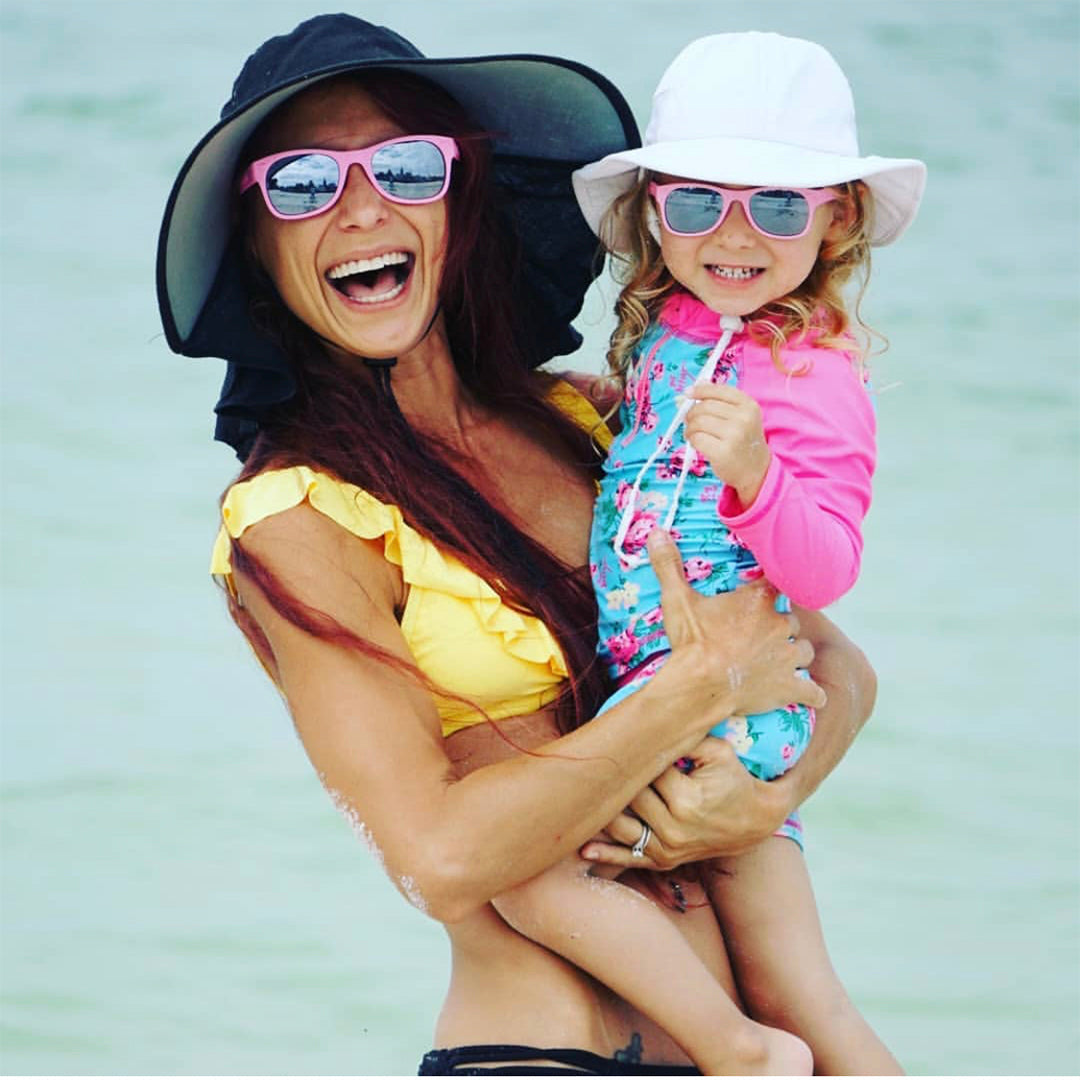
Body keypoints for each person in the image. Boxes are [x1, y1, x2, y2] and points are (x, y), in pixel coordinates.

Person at [156, 15, 881, 1076]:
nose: (362, 208)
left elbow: (835, 665)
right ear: (257, 243)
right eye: (303, 184)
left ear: (461, 199)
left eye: (406, 167)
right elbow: (441, 859)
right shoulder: (297, 520)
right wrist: (694, 693)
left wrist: (760, 801)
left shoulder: (594, 422)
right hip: (541, 1053)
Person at [485, 31, 927, 1075]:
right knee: (793, 986)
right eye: (697, 204)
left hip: (722, 709)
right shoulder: (676, 328)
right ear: (654, 211)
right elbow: (652, 454)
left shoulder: (815, 374)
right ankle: (752, 1044)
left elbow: (828, 570)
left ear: (837, 217)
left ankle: (741, 1053)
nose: (734, 235)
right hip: (673, 684)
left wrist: (759, 478)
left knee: (524, 862)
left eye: (777, 207)